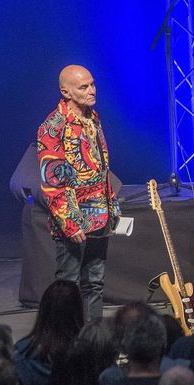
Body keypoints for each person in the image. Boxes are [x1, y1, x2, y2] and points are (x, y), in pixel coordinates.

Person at [37, 64, 120, 321]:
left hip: (99, 216)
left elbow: (101, 166)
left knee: (95, 282)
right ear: (66, 91)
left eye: (93, 84)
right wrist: (69, 223)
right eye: (83, 87)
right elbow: (51, 181)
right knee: (68, 285)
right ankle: (65, 339)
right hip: (73, 221)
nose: (92, 90)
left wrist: (112, 205)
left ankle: (93, 336)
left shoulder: (93, 118)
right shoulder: (53, 126)